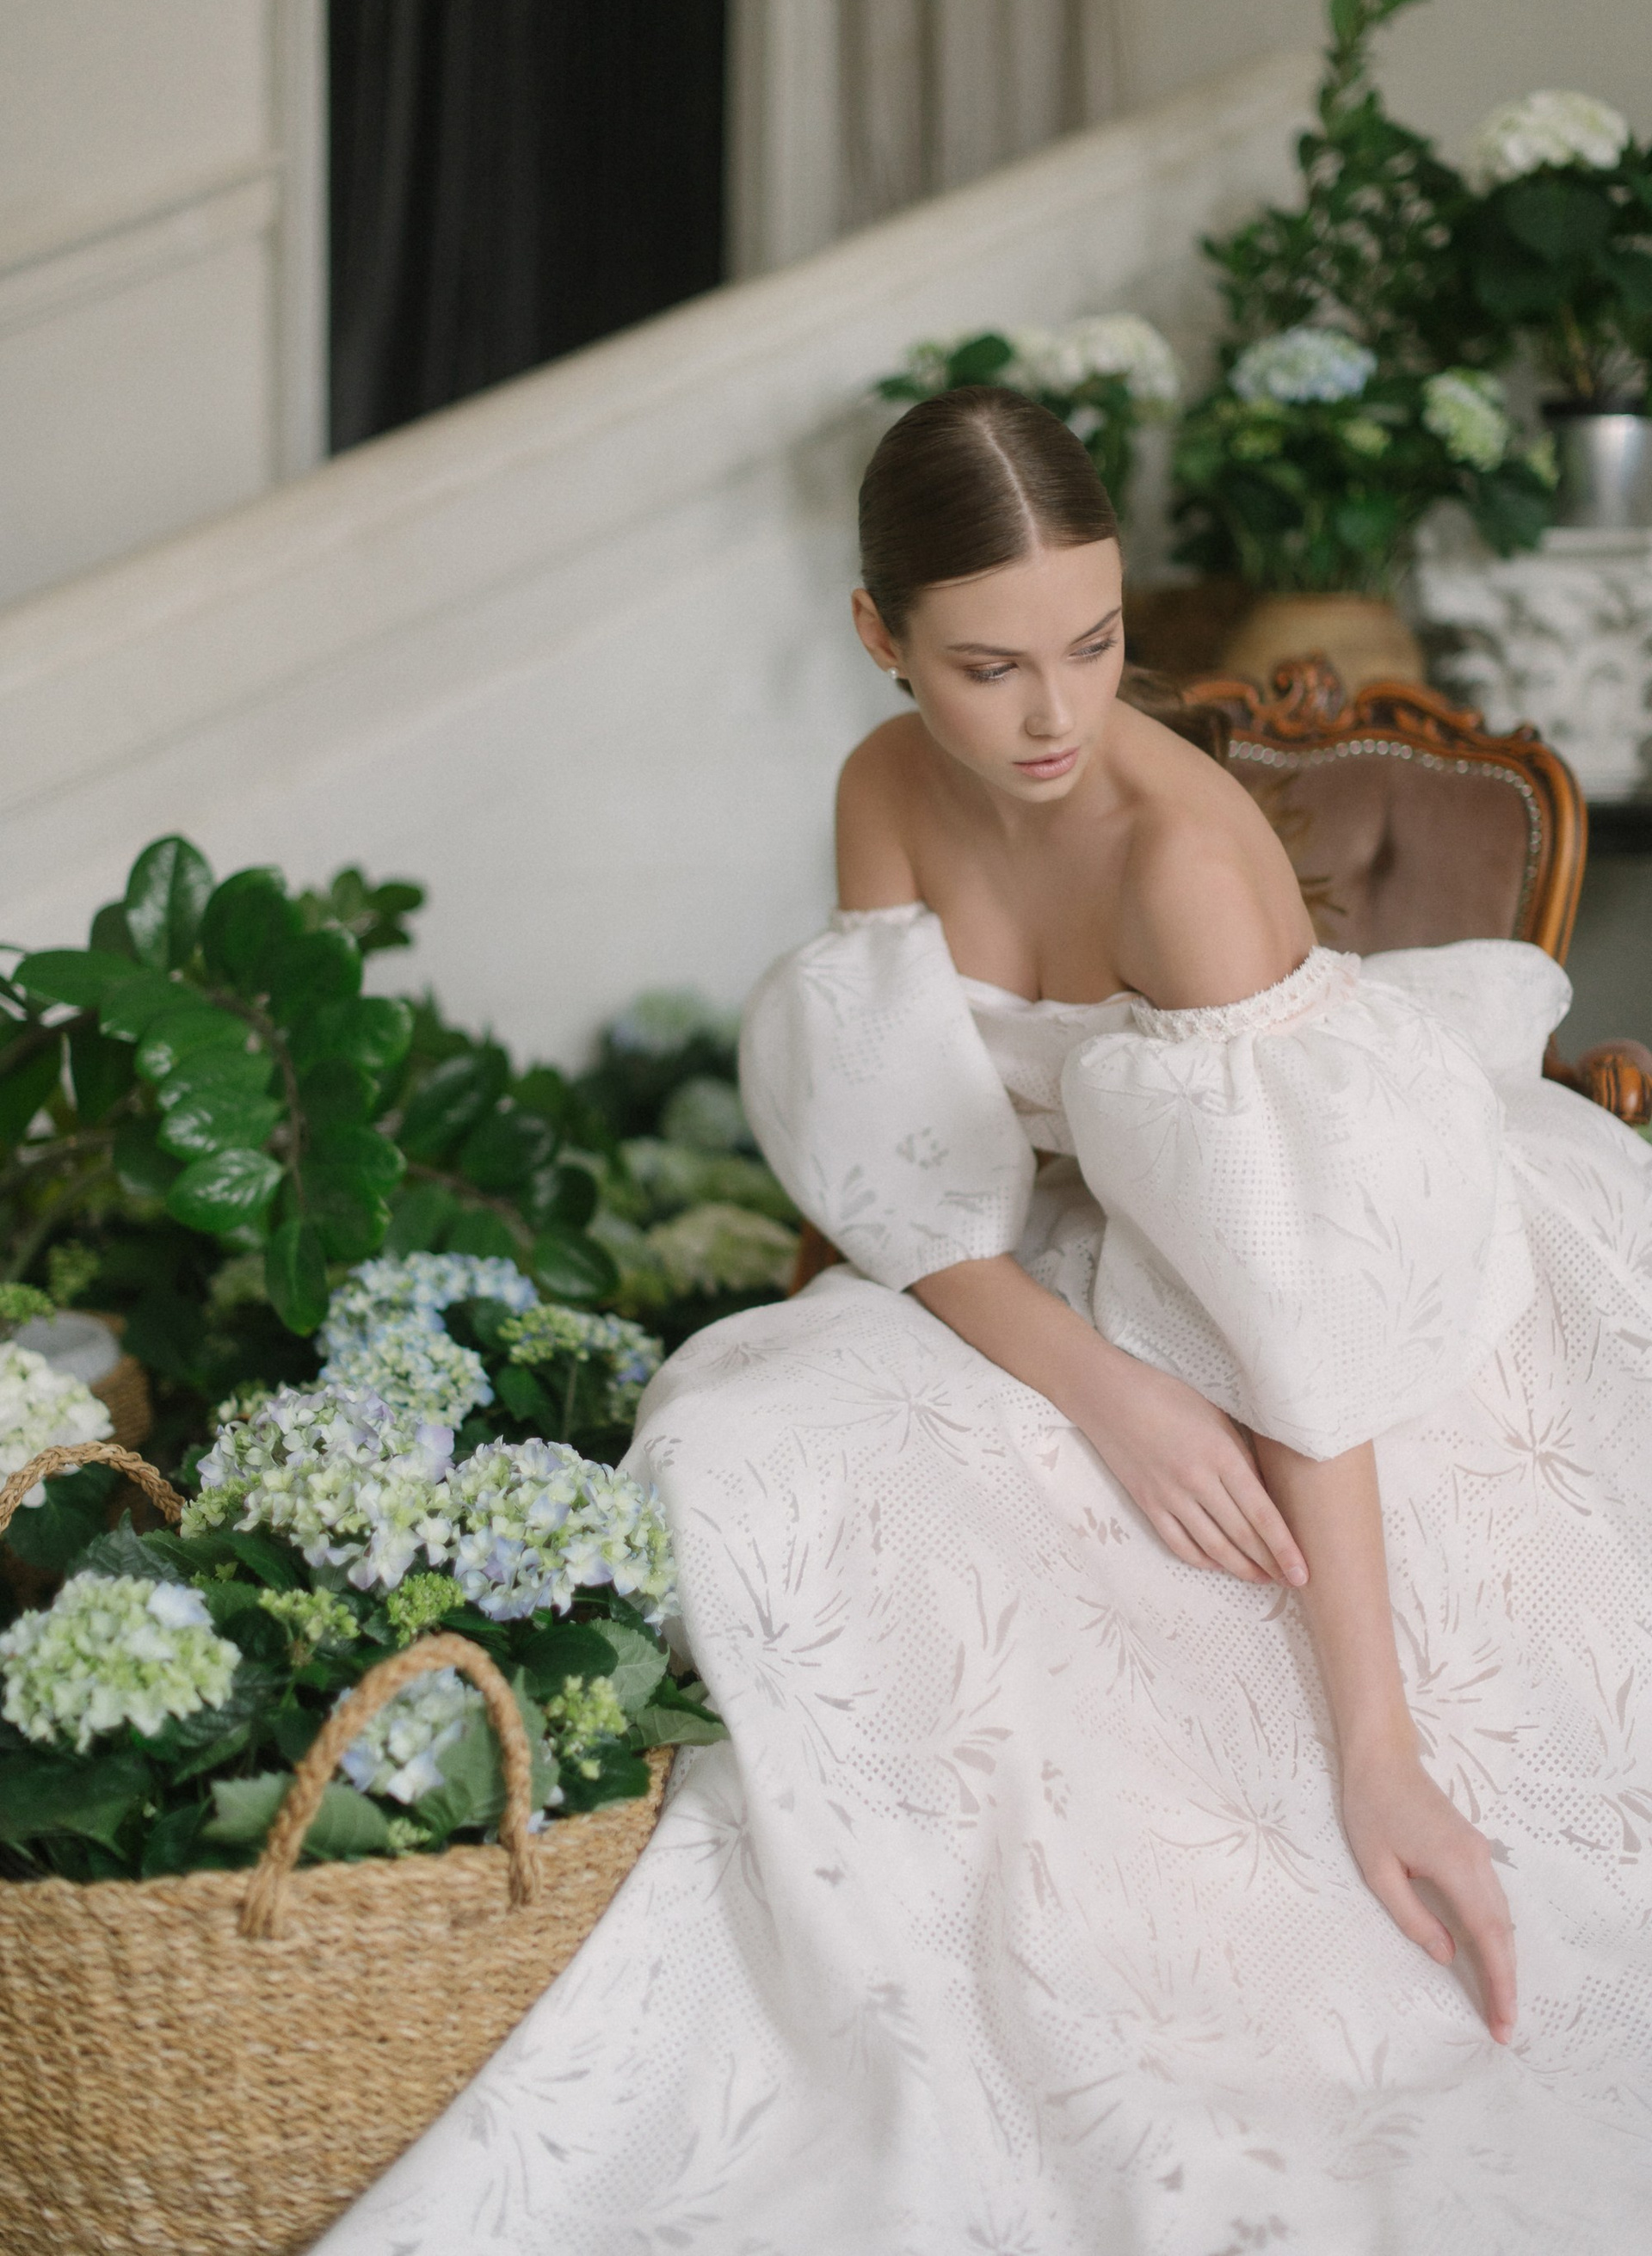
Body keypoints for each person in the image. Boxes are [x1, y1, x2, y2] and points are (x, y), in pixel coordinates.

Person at [321, 387, 1652, 2255]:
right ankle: (855, 1950)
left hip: (1339, 1275)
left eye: (1096, 645)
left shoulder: (1177, 864)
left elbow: (1311, 1315)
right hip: (1083, 1261)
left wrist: (1379, 1746)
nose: (1054, 717)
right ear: (881, 637)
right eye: (990, 665)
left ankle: (1143, 1974)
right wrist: (1105, 1391)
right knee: (736, 1435)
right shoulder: (881, 786)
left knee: (1156, 1610)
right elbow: (906, 1181)